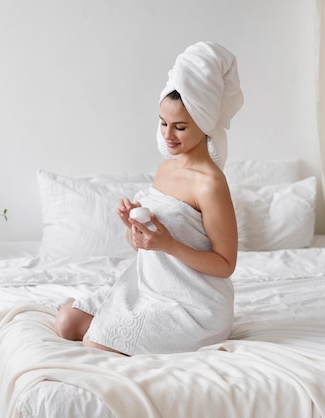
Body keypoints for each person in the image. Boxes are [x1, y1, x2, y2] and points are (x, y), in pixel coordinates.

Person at [54, 42, 244, 356]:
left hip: (194, 305)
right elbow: (148, 248)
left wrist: (169, 245)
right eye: (163, 123)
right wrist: (135, 229)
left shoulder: (210, 184)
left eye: (180, 127)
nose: (168, 136)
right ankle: (125, 325)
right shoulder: (165, 168)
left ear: (204, 123)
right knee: (66, 323)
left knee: (94, 343)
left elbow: (225, 265)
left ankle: (141, 334)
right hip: (148, 286)